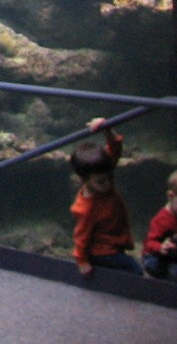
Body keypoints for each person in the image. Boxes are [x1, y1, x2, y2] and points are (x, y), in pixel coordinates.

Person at [69, 117, 142, 277]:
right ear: (84, 180)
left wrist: (106, 128)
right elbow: (81, 235)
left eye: (110, 177)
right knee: (136, 271)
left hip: (115, 241)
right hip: (102, 251)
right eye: (102, 182)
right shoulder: (87, 207)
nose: (108, 184)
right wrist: (82, 261)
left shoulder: (101, 174)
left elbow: (115, 149)